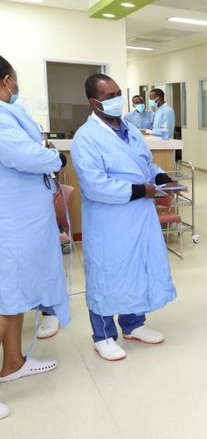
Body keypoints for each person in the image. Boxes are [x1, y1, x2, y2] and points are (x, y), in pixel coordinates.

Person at [71, 74, 177, 361]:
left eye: (118, 93)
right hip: (110, 220)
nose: (117, 100)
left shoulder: (128, 128)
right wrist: (142, 190)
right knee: (107, 273)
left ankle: (133, 324)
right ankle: (103, 336)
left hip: (139, 215)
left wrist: (161, 178)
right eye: (109, 97)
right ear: (94, 102)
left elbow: (145, 163)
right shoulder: (86, 138)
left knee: (137, 267)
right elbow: (95, 185)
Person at [0, 56, 70, 419]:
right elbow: (27, 156)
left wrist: (47, 155)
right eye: (15, 80)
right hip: (10, 223)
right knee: (4, 300)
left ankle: (13, 362)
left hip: (22, 220)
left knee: (12, 298)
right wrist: (53, 158)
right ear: (7, 80)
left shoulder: (9, 113)